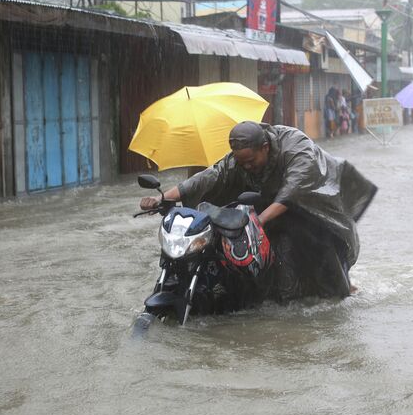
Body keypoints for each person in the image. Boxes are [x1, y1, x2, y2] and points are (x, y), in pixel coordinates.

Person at [140, 121, 377, 300]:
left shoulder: (296, 147)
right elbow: (213, 175)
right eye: (241, 163)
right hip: (274, 211)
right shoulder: (242, 158)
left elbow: (293, 191)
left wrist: (257, 223)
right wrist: (163, 197)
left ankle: (344, 291)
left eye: (251, 161)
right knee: (272, 264)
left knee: (325, 263)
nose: (247, 167)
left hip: (315, 210)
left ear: (265, 147)